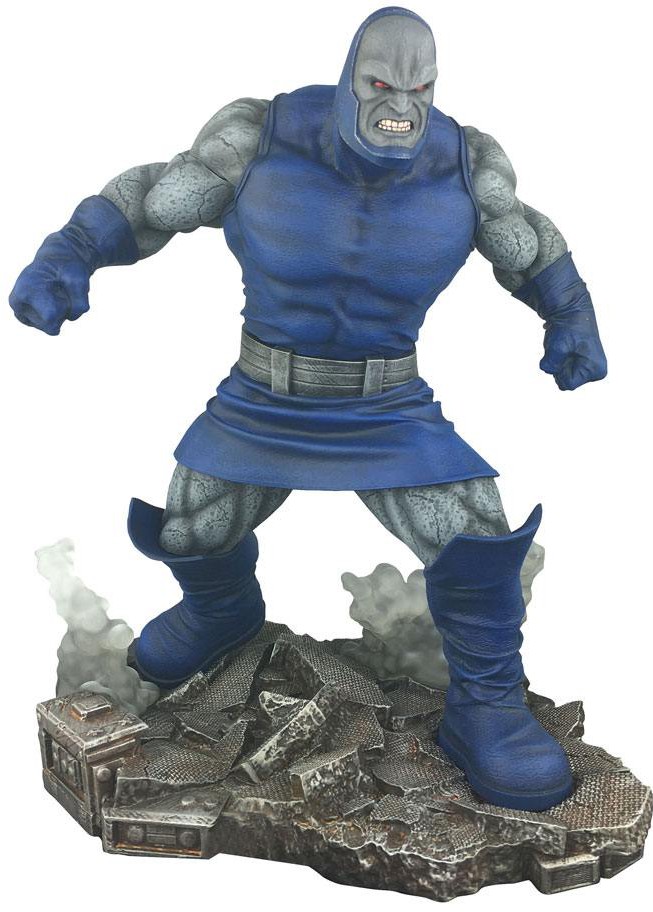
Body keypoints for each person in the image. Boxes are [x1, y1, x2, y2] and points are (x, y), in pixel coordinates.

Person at [9, 7, 607, 811]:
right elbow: (154, 198)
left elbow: (524, 243)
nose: (400, 107)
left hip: (388, 404)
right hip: (263, 397)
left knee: (477, 543)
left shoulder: (466, 164)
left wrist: (569, 314)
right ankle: (221, 611)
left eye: (420, 90)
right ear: (348, 76)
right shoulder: (261, 137)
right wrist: (69, 254)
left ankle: (487, 706)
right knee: (191, 530)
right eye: (381, 85)